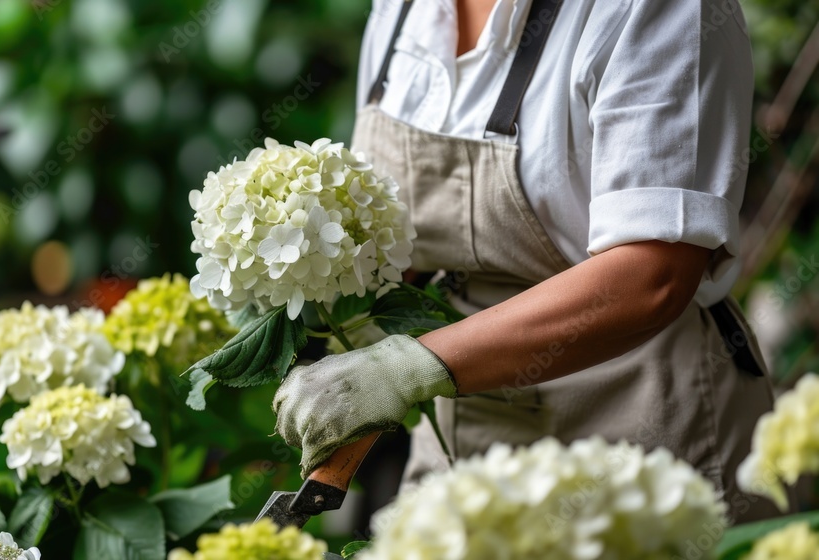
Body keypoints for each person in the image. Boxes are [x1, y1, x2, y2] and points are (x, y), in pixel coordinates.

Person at [273, 0, 784, 523]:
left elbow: (651, 275)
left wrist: (403, 368)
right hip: (463, 428)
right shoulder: (404, 10)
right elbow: (406, 237)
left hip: (639, 428)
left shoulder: (659, 10)